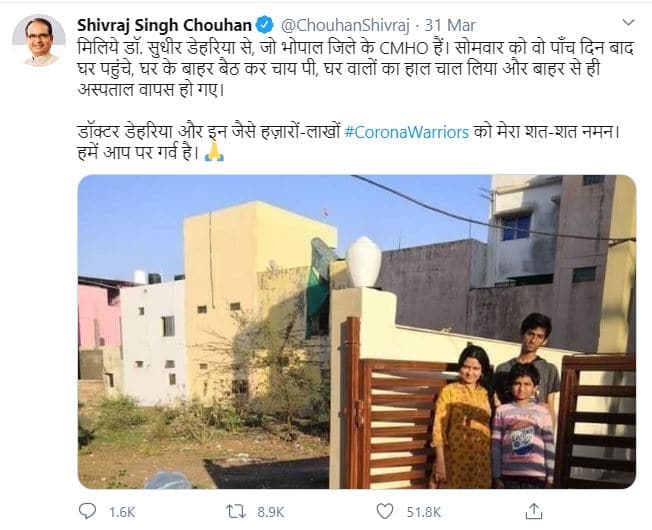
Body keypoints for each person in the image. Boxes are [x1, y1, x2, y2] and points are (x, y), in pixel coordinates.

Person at [431, 345, 493, 488]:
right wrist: (440, 462)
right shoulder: (449, 391)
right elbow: (439, 428)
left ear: (482, 370)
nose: (470, 373)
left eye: (476, 368)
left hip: (480, 462)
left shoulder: (486, 394)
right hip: (454, 459)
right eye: (466, 367)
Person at [492, 363, 555, 488]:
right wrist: (496, 476)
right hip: (508, 476)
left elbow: (549, 445)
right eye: (517, 383)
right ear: (510, 385)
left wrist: (550, 479)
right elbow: (496, 445)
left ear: (535, 387)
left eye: (527, 384)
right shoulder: (501, 411)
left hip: (536, 476)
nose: (521, 388)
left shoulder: (543, 411)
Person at [493, 313, 560, 419]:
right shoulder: (503, 369)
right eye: (530, 334)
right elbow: (497, 405)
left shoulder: (549, 370)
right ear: (522, 333)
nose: (533, 340)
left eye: (539, 336)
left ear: (545, 341)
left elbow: (550, 406)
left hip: (537, 426)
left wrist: (549, 428)